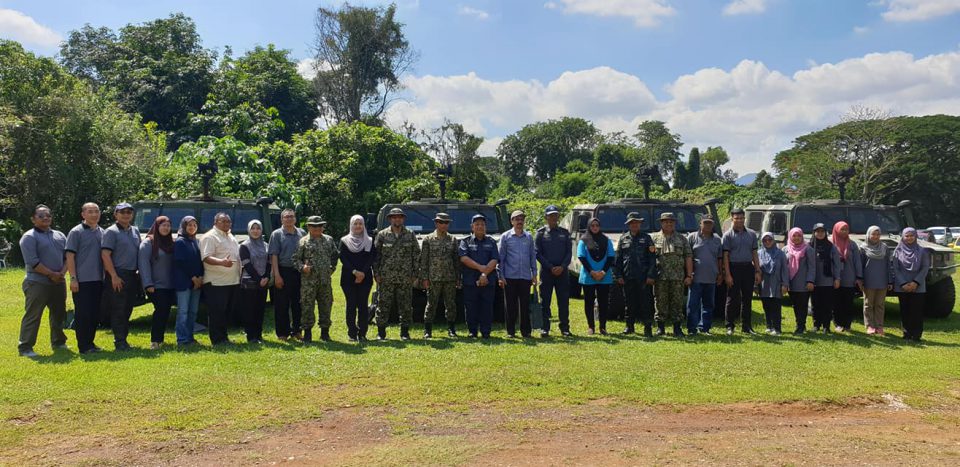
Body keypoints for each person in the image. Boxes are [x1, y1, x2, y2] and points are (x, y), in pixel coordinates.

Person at [18, 205, 67, 358]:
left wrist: (61, 273)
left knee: (59, 313)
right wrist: (51, 274)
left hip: (59, 282)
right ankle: (25, 347)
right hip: (37, 283)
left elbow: (68, 257)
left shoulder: (60, 235)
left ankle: (58, 342)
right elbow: (32, 262)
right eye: (41, 216)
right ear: (33, 219)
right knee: (33, 315)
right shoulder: (29, 237)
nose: (45, 218)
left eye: (48, 215)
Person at [373, 208, 420, 340]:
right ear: (390, 219)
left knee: (405, 305)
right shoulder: (382, 235)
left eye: (399, 217)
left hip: (405, 277)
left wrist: (415, 273)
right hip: (386, 276)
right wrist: (376, 273)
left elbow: (416, 255)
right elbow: (376, 256)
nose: (397, 219)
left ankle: (404, 333)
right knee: (383, 304)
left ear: (403, 219)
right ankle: (381, 333)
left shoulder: (410, 234)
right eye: (394, 217)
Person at [100, 202, 141, 351]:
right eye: (122, 212)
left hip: (132, 275)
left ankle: (124, 339)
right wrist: (114, 276)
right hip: (117, 274)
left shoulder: (135, 231)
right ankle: (119, 341)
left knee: (128, 308)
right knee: (118, 309)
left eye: (129, 212)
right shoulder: (111, 231)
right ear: (115, 214)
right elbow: (105, 255)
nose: (126, 215)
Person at [65, 203, 105, 354]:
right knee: (83, 313)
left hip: (98, 280)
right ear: (83, 214)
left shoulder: (102, 232)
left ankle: (90, 343)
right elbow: (69, 256)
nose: (94, 214)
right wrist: (73, 278)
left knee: (95, 313)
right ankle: (84, 346)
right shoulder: (76, 232)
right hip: (82, 280)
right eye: (90, 212)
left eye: (96, 211)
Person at [293, 216, 339, 342]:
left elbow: (335, 255)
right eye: (314, 226)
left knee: (326, 306)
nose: (317, 228)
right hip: (309, 281)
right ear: (308, 227)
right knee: (307, 306)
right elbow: (295, 259)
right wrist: (303, 268)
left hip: (325, 280)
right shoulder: (303, 241)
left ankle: (325, 333)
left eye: (320, 226)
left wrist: (331, 269)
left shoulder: (329, 240)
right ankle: (307, 334)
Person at [200, 212, 241, 345]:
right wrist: (222, 262)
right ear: (215, 222)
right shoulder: (210, 237)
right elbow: (206, 257)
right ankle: (217, 340)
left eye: (228, 221)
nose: (226, 224)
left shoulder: (230, 236)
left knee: (226, 312)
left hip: (232, 281)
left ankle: (224, 337)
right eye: (223, 221)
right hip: (216, 282)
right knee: (217, 312)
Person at [614, 212, 657, 337]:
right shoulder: (623, 238)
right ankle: (629, 326)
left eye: (637, 222)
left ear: (640, 224)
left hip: (643, 277)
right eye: (632, 223)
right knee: (629, 303)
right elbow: (618, 259)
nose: (634, 225)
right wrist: (619, 276)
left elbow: (652, 259)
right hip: (628, 276)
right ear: (628, 225)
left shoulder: (647, 238)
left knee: (646, 303)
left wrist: (650, 275)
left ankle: (647, 328)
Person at [651, 213, 693, 337]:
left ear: (675, 223)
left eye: (671, 222)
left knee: (677, 302)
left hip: (677, 277)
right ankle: (660, 327)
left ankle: (677, 328)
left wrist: (689, 275)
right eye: (666, 221)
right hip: (660, 277)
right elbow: (649, 259)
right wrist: (650, 275)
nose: (669, 224)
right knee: (660, 302)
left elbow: (688, 257)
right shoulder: (653, 238)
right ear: (661, 223)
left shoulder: (682, 239)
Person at [418, 213, 459, 338]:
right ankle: (427, 330)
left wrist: (457, 277)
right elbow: (424, 260)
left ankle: (451, 329)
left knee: (451, 304)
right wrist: (424, 278)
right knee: (431, 304)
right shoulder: (428, 239)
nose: (444, 225)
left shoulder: (453, 239)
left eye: (446, 223)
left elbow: (456, 261)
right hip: (433, 277)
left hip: (449, 278)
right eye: (441, 222)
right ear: (436, 223)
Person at [498, 210, 538, 338]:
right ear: (512, 221)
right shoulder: (505, 237)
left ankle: (525, 331)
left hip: (525, 276)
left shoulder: (529, 237)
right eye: (517, 219)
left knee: (525, 305)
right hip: (510, 276)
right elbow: (501, 258)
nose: (519, 221)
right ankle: (511, 331)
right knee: (510, 305)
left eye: (521, 219)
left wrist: (534, 273)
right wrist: (501, 276)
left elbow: (532, 256)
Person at [459, 214, 500, 338]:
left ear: (485, 227)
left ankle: (486, 331)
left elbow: (495, 259)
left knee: (487, 306)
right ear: (472, 227)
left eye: (482, 224)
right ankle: (472, 331)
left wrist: (484, 273)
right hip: (470, 280)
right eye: (477, 224)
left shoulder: (492, 241)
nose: (480, 226)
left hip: (488, 280)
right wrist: (480, 268)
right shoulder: (465, 241)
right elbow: (464, 258)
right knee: (471, 307)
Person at [138, 216, 175, 350]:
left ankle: (160, 339)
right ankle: (155, 340)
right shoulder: (148, 243)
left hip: (170, 285)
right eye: (163, 225)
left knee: (165, 311)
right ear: (156, 226)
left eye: (168, 226)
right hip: (155, 286)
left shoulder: (171, 243)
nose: (166, 228)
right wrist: (148, 284)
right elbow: (143, 264)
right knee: (161, 310)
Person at [535, 205, 572, 337]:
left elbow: (569, 253)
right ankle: (545, 328)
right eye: (550, 215)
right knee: (545, 302)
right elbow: (538, 254)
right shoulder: (540, 233)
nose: (553, 218)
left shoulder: (564, 233)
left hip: (562, 273)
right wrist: (551, 267)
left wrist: (562, 267)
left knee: (563, 301)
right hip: (547, 272)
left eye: (555, 215)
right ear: (546, 217)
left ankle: (565, 328)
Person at [722, 208, 760, 335]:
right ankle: (729, 326)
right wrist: (727, 274)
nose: (739, 220)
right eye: (736, 218)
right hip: (733, 268)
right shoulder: (727, 235)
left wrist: (757, 270)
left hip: (748, 268)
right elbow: (725, 256)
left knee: (747, 298)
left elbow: (754, 253)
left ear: (745, 219)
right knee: (732, 298)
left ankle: (747, 326)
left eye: (741, 218)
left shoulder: (751, 234)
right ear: (732, 219)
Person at [268, 209, 305, 340]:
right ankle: (282, 333)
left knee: (298, 303)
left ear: (295, 219)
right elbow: (274, 255)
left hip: (299, 272)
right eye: (286, 217)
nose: (289, 219)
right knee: (281, 304)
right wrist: (277, 275)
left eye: (291, 217)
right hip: (283, 271)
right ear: (282, 219)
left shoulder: (302, 233)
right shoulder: (277, 234)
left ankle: (297, 331)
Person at [340, 215, 376, 342]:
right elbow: (343, 258)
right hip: (348, 278)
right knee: (351, 305)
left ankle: (362, 333)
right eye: (355, 223)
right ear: (351, 225)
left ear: (363, 225)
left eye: (360, 223)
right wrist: (355, 272)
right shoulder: (344, 241)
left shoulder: (370, 241)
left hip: (365, 278)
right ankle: (352, 333)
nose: (358, 226)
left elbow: (371, 258)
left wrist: (362, 273)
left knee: (362, 305)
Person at [577, 218, 615, 335]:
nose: (595, 227)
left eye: (597, 225)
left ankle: (602, 327)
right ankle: (591, 327)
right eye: (592, 225)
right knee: (588, 302)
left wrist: (603, 272)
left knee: (603, 302)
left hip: (604, 276)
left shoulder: (606, 240)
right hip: (588, 276)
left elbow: (610, 257)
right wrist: (592, 272)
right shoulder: (583, 240)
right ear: (589, 226)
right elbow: (581, 257)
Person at [686, 215, 722, 335]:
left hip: (711, 278)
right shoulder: (692, 237)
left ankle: (705, 328)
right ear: (700, 223)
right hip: (696, 277)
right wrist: (688, 275)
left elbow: (719, 258)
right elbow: (687, 257)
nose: (708, 225)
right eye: (705, 223)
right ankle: (692, 329)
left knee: (708, 305)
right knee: (693, 305)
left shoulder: (717, 239)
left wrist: (720, 274)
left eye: (710, 223)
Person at [892, 227, 930, 342]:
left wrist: (915, 283)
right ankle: (907, 333)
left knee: (917, 311)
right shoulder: (897, 251)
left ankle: (916, 335)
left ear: (915, 236)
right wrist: (903, 283)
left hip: (918, 286)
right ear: (903, 237)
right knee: (905, 310)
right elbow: (895, 269)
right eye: (906, 236)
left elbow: (925, 268)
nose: (909, 238)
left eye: (911, 235)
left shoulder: (922, 251)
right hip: (902, 286)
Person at [173, 216, 203, 346]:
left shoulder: (195, 241)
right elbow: (181, 263)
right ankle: (182, 339)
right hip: (184, 282)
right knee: (183, 312)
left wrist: (200, 277)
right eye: (189, 225)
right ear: (184, 226)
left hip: (196, 283)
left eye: (194, 225)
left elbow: (199, 261)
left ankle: (190, 337)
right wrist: (193, 277)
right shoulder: (180, 242)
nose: (192, 227)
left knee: (193, 312)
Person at [239, 220, 270, 343]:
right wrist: (259, 279)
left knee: (260, 309)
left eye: (258, 228)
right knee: (249, 310)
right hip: (249, 283)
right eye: (253, 228)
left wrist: (266, 277)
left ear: (261, 230)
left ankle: (258, 334)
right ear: (249, 230)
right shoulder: (244, 246)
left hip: (264, 282)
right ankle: (251, 336)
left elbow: (269, 263)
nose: (255, 231)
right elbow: (247, 265)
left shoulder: (266, 245)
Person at [831, 221, 863, 333]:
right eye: (842, 229)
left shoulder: (852, 244)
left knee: (848, 303)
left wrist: (859, 277)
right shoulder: (831, 243)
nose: (844, 232)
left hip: (849, 278)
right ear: (836, 230)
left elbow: (857, 262)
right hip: (835, 278)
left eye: (846, 229)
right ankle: (838, 324)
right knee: (836, 302)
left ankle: (847, 324)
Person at [809, 223, 841, 333]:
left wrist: (837, 278)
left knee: (827, 305)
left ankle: (826, 326)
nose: (820, 233)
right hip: (814, 280)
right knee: (815, 304)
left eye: (822, 231)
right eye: (817, 231)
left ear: (825, 233)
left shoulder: (831, 246)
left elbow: (837, 264)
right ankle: (816, 325)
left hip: (828, 280)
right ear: (814, 233)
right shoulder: (809, 246)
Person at [860, 226, 892, 335]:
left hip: (882, 280)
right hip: (868, 280)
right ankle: (869, 325)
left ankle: (879, 326)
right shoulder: (863, 248)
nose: (875, 236)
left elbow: (888, 265)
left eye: (878, 234)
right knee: (868, 304)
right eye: (873, 234)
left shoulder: (884, 248)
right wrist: (861, 280)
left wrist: (890, 281)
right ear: (868, 235)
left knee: (880, 304)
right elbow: (861, 265)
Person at [783, 228, 816, 334]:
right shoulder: (785, 249)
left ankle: (801, 326)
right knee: (795, 305)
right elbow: (783, 267)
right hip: (791, 283)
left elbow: (812, 267)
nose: (796, 238)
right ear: (790, 236)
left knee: (802, 305)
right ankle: (800, 324)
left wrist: (810, 281)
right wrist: (784, 282)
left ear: (802, 237)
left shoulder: (808, 249)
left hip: (803, 283)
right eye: (794, 236)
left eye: (799, 236)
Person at [758, 232, 789, 335]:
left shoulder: (780, 253)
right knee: (766, 305)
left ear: (773, 240)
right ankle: (769, 326)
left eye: (769, 240)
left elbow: (785, 269)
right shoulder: (759, 253)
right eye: (765, 240)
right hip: (764, 283)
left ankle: (777, 329)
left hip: (776, 283)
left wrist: (785, 284)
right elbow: (756, 269)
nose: (767, 242)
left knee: (776, 306)